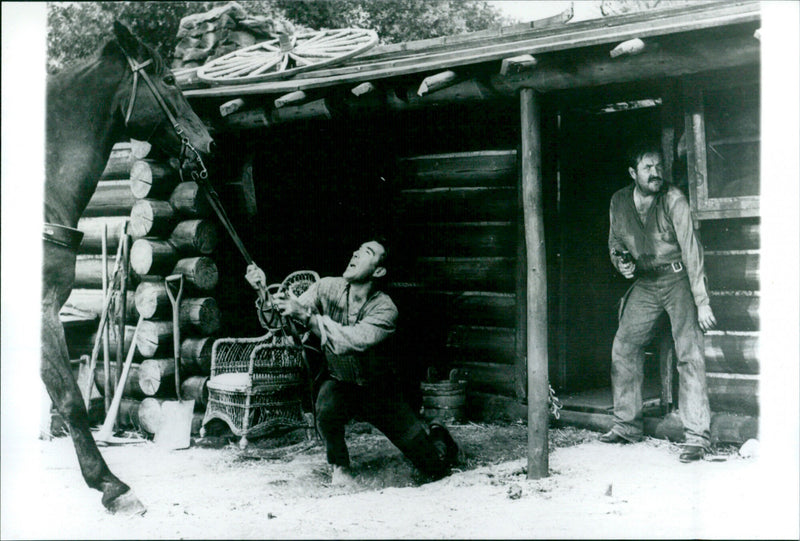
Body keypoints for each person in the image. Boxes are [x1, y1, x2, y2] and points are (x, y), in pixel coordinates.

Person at [245, 237, 459, 484]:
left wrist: (305, 315)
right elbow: (282, 323)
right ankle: (340, 467)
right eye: (356, 249)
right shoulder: (325, 287)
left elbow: (349, 342)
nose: (355, 254)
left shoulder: (385, 309)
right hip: (341, 383)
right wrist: (263, 293)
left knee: (434, 468)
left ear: (378, 270)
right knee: (326, 405)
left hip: (380, 392)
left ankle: (438, 437)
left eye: (366, 252)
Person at [602, 144, 716, 462]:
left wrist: (702, 301)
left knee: (688, 353)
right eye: (647, 167)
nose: (656, 173)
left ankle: (696, 437)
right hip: (647, 282)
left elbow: (692, 251)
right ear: (632, 174)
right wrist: (620, 263)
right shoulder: (619, 201)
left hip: (678, 278)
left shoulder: (673, 199)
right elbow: (615, 242)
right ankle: (626, 425)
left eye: (659, 166)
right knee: (624, 346)